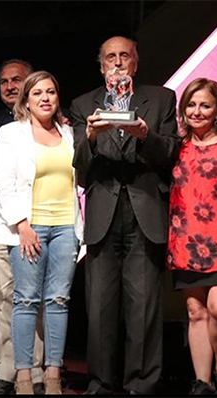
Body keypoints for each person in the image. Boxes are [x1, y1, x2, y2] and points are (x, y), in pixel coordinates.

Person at [71, 36, 180, 395]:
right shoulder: (83, 104)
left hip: (145, 209)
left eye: (124, 56)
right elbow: (80, 167)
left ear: (136, 61)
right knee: (100, 307)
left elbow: (167, 154)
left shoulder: (161, 98)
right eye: (110, 58)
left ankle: (142, 385)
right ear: (101, 65)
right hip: (103, 212)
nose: (117, 63)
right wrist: (88, 138)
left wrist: (145, 135)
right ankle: (101, 383)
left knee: (145, 306)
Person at [0, 70, 83, 395]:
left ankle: (54, 373)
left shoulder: (68, 134)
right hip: (27, 228)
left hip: (65, 228)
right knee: (26, 301)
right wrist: (22, 225)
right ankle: (24, 376)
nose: (45, 98)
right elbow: (3, 184)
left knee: (58, 301)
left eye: (51, 92)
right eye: (37, 93)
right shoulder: (10, 134)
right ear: (26, 101)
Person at [167, 78, 217, 395]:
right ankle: (202, 382)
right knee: (195, 312)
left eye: (204, 105)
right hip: (185, 238)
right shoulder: (176, 146)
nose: (197, 111)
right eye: (191, 104)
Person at [0, 60, 47, 395]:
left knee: (35, 302)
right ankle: (6, 373)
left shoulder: (51, 125)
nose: (9, 86)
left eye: (16, 80)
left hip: (42, 227)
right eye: (3, 81)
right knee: (4, 300)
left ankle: (35, 373)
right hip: (4, 226)